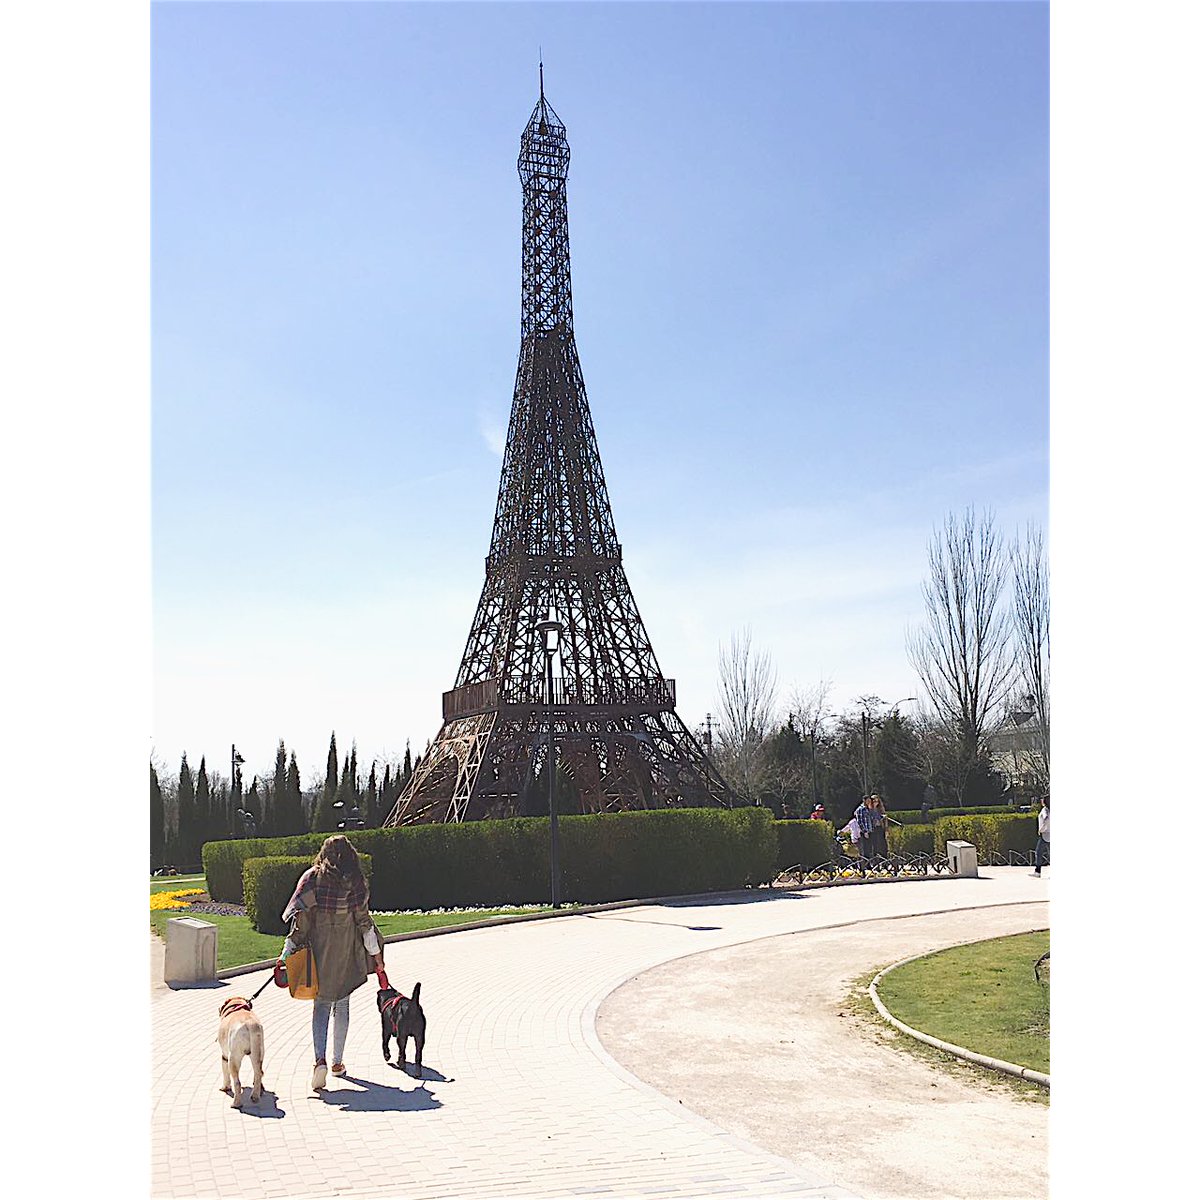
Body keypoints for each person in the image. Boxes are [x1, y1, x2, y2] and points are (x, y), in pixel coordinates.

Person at [279, 835, 385, 1090]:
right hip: (346, 952)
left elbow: (300, 924)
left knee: (321, 1005)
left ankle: (320, 1060)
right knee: (343, 1002)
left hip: (320, 953)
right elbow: (364, 924)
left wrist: (285, 956)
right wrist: (377, 958)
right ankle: (338, 1062)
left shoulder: (312, 879)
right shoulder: (356, 882)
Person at [854, 795, 877, 868]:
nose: (869, 802)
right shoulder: (860, 809)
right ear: (864, 800)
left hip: (870, 831)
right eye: (868, 801)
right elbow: (860, 821)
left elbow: (871, 819)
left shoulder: (868, 809)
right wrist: (864, 831)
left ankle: (869, 864)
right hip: (864, 832)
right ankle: (864, 865)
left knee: (870, 849)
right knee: (865, 849)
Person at [1033, 795, 1050, 876]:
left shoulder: (1045, 810)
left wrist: (1041, 829)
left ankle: (1037, 871)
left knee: (1039, 852)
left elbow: (1046, 819)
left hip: (1045, 834)